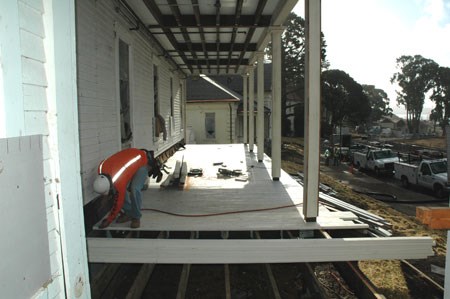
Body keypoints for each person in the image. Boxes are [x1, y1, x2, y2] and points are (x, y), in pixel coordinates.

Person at [93, 148, 162, 229]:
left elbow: (119, 201)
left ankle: (136, 217)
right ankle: (129, 213)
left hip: (142, 160)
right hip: (129, 160)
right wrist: (104, 196)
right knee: (117, 190)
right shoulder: (101, 168)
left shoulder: (119, 181)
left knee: (134, 189)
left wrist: (109, 220)